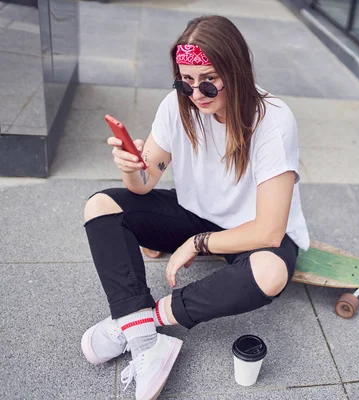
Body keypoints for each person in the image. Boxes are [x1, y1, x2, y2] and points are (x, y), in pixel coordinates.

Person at [80, 15, 309, 400]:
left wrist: (197, 244)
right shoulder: (177, 105)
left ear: (236, 71)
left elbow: (269, 230)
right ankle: (145, 340)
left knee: (270, 273)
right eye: (185, 80)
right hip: (193, 213)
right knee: (101, 206)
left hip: (250, 230)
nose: (196, 92)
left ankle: (142, 322)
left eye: (208, 79)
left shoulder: (273, 120)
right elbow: (145, 183)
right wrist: (131, 169)